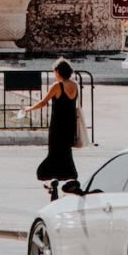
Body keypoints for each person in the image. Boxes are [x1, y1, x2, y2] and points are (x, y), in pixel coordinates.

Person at [23, 58, 79, 201]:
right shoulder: (75, 85)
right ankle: (69, 175)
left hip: (58, 123)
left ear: (58, 72)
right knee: (66, 150)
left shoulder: (57, 86)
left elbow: (43, 102)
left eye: (55, 71)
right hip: (70, 123)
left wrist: (28, 109)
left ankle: (49, 176)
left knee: (54, 149)